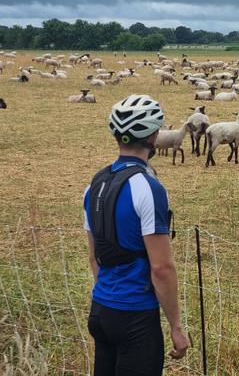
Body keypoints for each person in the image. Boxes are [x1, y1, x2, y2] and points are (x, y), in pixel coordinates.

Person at [83, 94, 189, 376]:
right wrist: (176, 327)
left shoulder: (94, 185)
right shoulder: (148, 188)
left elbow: (94, 258)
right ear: (154, 135)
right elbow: (162, 268)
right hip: (136, 318)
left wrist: (109, 295)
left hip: (101, 311)